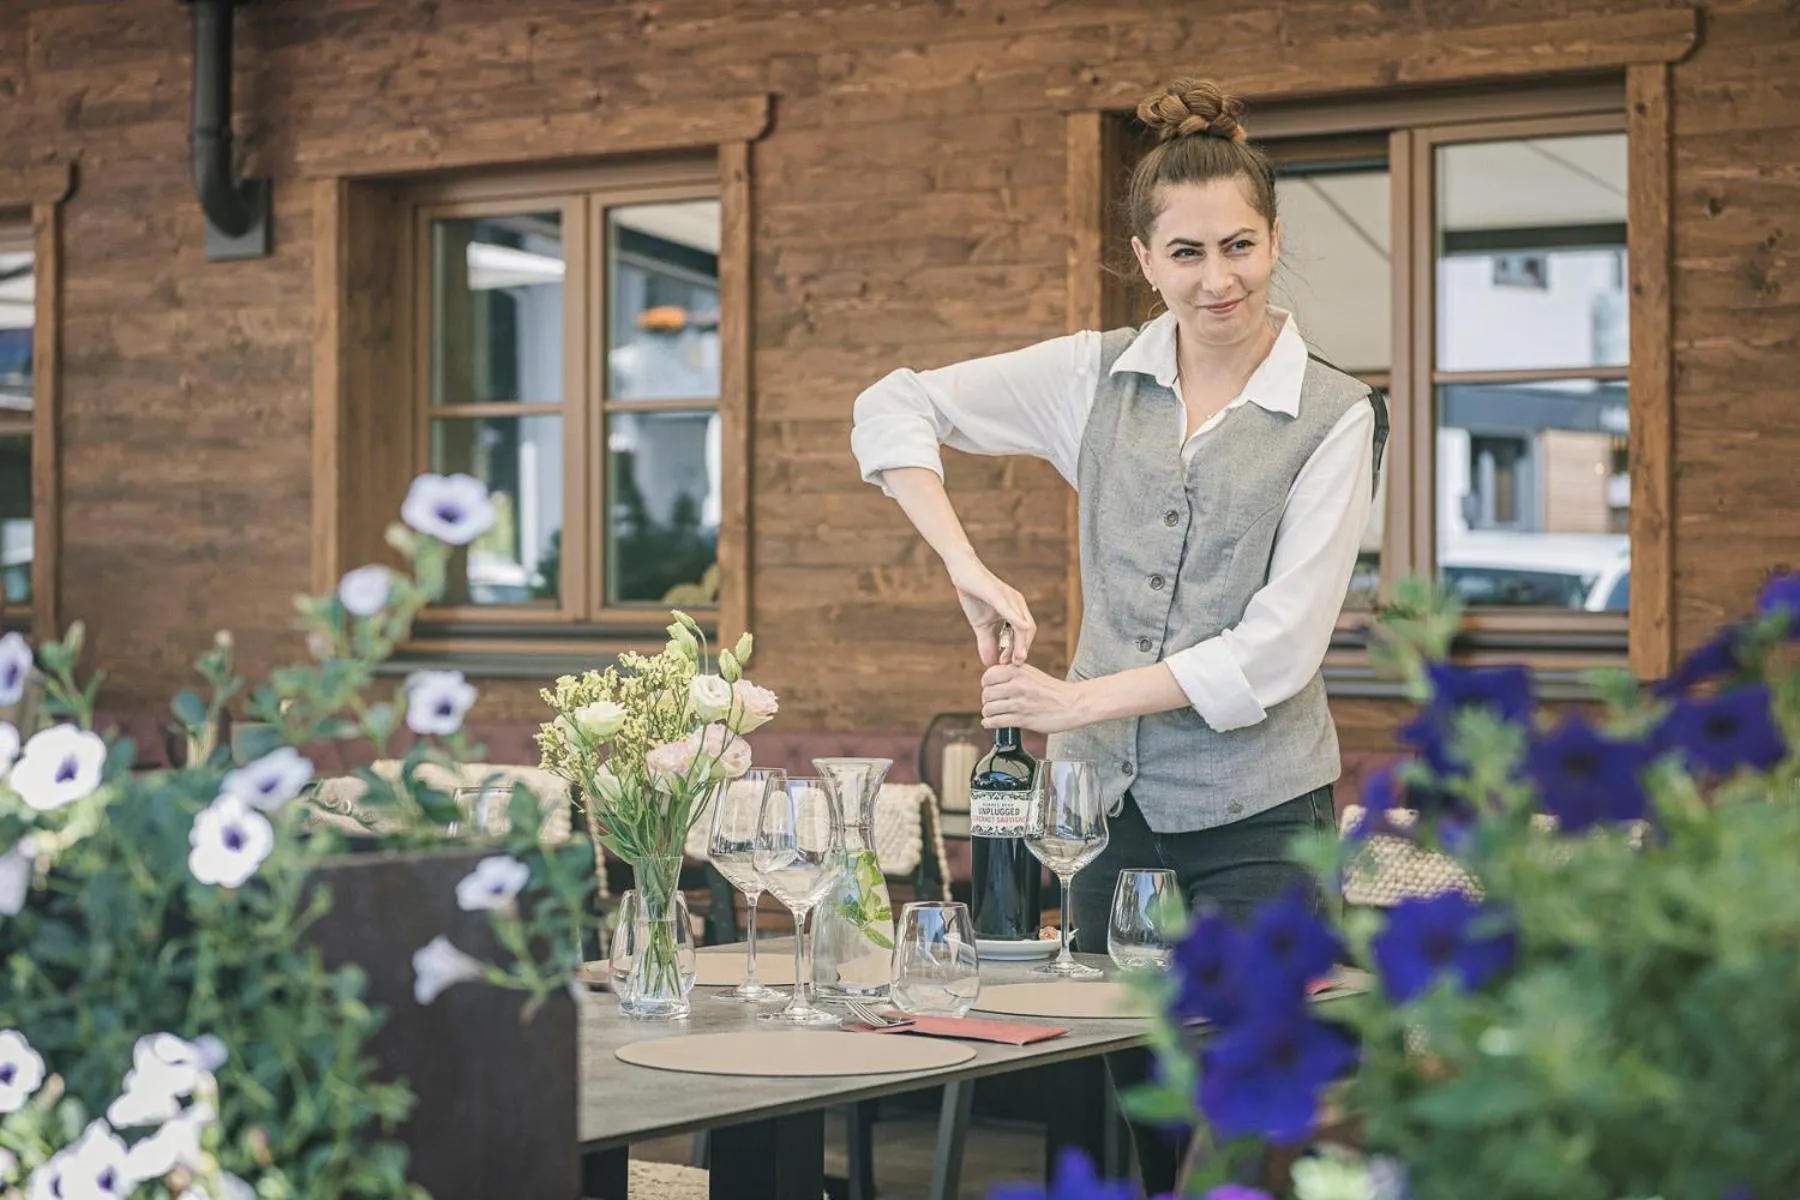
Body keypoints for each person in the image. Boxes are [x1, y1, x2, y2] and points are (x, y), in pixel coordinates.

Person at [850, 77, 1388, 1190]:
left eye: (1239, 245)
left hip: (1257, 823)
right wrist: (965, 564)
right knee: (1123, 1102)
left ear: (1275, 240)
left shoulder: (1335, 416)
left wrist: (1076, 704)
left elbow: (1279, 651)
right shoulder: (1096, 376)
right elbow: (893, 403)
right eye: (1185, 253)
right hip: (1100, 824)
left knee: (1251, 1116)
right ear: (1144, 260)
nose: (1217, 278)